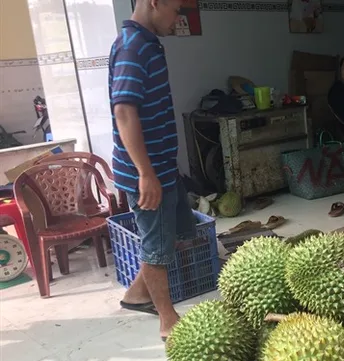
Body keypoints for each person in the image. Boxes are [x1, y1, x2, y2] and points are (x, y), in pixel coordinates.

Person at [108, 0, 196, 341]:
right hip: (148, 170)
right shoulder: (132, 47)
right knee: (157, 249)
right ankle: (167, 321)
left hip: (161, 165)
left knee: (167, 236)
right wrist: (145, 173)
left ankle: (136, 294)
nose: (177, 19)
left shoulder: (144, 43)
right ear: (154, 2)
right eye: (175, 10)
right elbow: (124, 112)